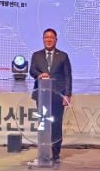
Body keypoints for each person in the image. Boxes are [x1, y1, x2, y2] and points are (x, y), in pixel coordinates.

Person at [30, 28, 72, 162]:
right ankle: (43, 151)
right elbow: (32, 71)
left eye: (51, 37)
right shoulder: (36, 55)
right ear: (43, 39)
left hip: (58, 95)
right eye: (46, 37)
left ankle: (55, 152)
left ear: (56, 40)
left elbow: (68, 76)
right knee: (43, 124)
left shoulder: (63, 56)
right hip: (42, 94)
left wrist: (67, 95)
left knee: (56, 124)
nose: (48, 40)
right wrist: (39, 75)